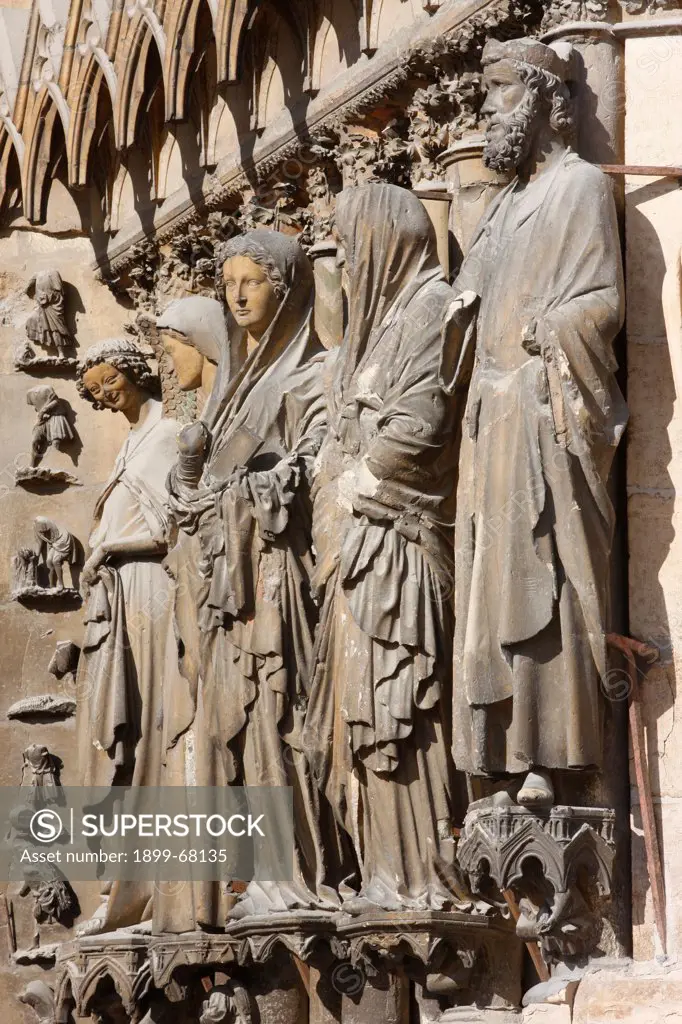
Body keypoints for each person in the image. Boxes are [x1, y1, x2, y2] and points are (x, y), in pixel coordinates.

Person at [445, 38, 627, 805]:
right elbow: (465, 305)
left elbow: (603, 304)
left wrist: (545, 339)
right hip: (492, 423)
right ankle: (502, 753)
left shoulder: (579, 186)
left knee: (542, 576)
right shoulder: (502, 207)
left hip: (542, 415)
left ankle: (552, 753)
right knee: (491, 592)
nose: (486, 108)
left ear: (544, 102)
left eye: (498, 92)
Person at [167, 229, 342, 918]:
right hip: (228, 592)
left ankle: (291, 873)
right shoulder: (234, 390)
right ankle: (254, 878)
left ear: (290, 287)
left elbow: (321, 468)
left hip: (278, 582)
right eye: (229, 282)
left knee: (280, 719)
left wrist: (250, 489)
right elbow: (211, 485)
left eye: (254, 281)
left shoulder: (314, 373)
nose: (238, 294)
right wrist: (195, 488)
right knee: (238, 736)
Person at [304, 183, 460, 913]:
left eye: (349, 246)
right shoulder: (380, 325)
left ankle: (423, 876)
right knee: (359, 726)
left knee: (398, 706)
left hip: (395, 544)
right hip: (358, 548)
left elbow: (423, 424)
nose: (346, 266)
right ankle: (382, 875)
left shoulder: (429, 306)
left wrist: (355, 475)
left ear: (383, 242)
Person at [75, 338, 195, 934]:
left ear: (135, 372)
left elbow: (176, 525)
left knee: (156, 728)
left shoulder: (170, 433)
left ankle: (164, 885)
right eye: (96, 390)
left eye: (110, 381)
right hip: (118, 597)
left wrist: (107, 548)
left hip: (151, 588)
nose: (105, 394)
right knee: (116, 739)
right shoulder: (127, 444)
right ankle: (126, 887)